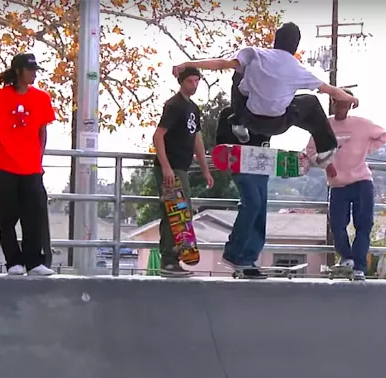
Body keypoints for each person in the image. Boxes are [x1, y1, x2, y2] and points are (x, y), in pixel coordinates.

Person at [171, 22, 359, 167]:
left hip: (249, 117)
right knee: (311, 101)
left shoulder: (255, 54)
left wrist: (189, 64)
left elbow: (221, 63)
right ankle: (326, 149)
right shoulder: (299, 70)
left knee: (238, 71)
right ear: (295, 46)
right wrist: (351, 98)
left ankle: (237, 121)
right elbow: (331, 90)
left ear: (275, 40)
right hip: (278, 124)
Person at [0, 53, 56, 276]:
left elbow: (42, 130)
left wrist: (39, 157)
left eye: (36, 70)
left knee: (33, 216)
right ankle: (13, 262)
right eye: (30, 70)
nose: (34, 74)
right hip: (4, 165)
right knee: (7, 217)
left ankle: (34, 262)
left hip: (31, 167)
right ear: (18, 71)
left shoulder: (41, 98)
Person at [306, 88, 386, 280]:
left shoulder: (361, 124)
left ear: (350, 105)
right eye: (337, 102)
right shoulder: (324, 124)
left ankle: (358, 266)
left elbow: (384, 134)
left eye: (344, 103)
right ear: (333, 103)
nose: (340, 107)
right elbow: (310, 151)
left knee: (363, 225)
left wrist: (365, 149)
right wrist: (326, 165)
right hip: (337, 184)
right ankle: (347, 257)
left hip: (361, 181)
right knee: (337, 225)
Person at [152, 66, 214, 276]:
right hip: (171, 167)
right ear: (181, 82)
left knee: (183, 212)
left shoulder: (194, 109)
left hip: (183, 167)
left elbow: (197, 139)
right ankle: (168, 259)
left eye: (197, 81)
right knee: (174, 212)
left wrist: (205, 169)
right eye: (190, 81)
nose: (194, 85)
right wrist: (167, 168)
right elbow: (158, 136)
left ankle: (174, 258)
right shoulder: (174, 105)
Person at [215, 106, 272, 278]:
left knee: (260, 209)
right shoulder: (229, 113)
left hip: (262, 166)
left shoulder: (267, 111)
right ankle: (233, 253)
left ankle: (247, 260)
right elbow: (220, 143)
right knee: (252, 202)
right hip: (241, 166)